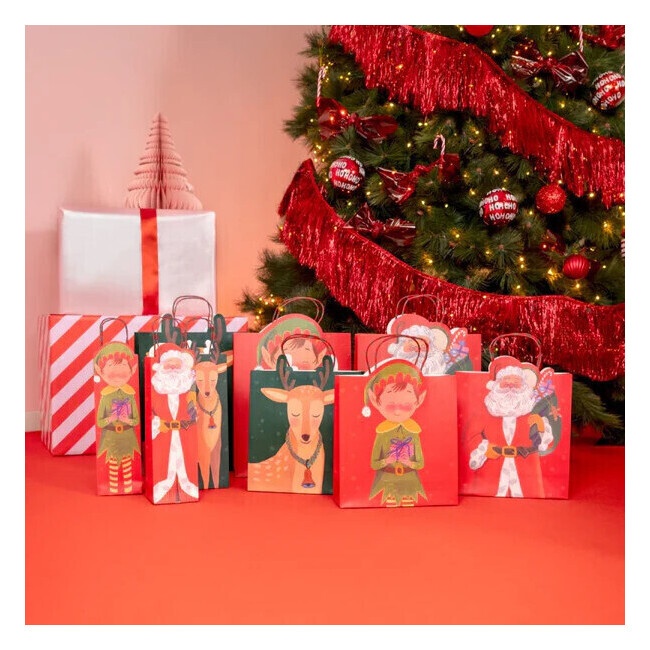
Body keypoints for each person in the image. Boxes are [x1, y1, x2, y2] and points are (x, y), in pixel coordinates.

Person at [462, 357, 556, 498]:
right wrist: (484, 449)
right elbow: (470, 437)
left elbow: (547, 444)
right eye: (506, 380)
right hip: (491, 474)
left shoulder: (531, 411)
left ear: (523, 385)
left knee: (530, 506)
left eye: (516, 381)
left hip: (527, 474)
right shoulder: (484, 411)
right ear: (496, 385)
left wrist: (542, 428)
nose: (511, 384)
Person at [363, 360, 428, 507]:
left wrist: (409, 462)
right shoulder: (382, 432)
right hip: (388, 481)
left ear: (418, 401)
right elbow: (374, 463)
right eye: (390, 406)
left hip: (410, 481)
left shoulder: (414, 431)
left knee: (408, 506)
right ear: (376, 402)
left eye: (406, 405)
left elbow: (420, 462)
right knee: (390, 505)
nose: (398, 411)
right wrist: (387, 460)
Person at [150, 343, 199, 504]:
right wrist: (158, 424)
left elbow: (193, 412)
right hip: (164, 435)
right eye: (168, 362)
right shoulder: (157, 388)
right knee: (166, 461)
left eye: (176, 363)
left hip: (185, 434)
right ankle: (165, 488)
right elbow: (152, 412)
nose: (172, 367)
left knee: (185, 460)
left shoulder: (188, 388)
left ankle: (186, 488)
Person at [94, 342, 141, 494]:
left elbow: (136, 420)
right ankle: (113, 488)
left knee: (127, 462)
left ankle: (129, 487)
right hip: (111, 436)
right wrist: (111, 418)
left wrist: (127, 420)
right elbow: (99, 421)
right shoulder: (105, 396)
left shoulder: (130, 394)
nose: (117, 375)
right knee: (113, 464)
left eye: (123, 367)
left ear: (132, 370)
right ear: (100, 372)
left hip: (127, 436)